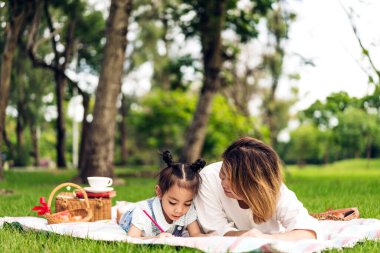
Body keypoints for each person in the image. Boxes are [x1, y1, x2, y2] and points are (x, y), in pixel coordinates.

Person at [194, 137, 322, 240]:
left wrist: (264, 238)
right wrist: (244, 236)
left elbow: (308, 232)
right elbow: (216, 232)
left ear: (253, 183)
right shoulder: (209, 178)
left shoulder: (272, 188)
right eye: (222, 175)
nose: (223, 183)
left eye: (231, 179)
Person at [119, 151, 207, 239]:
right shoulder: (143, 212)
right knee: (123, 218)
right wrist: (156, 238)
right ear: (159, 192)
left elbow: (195, 234)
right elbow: (132, 237)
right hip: (130, 218)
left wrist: (212, 237)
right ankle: (121, 212)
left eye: (187, 204)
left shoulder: (189, 210)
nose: (179, 210)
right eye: (172, 202)